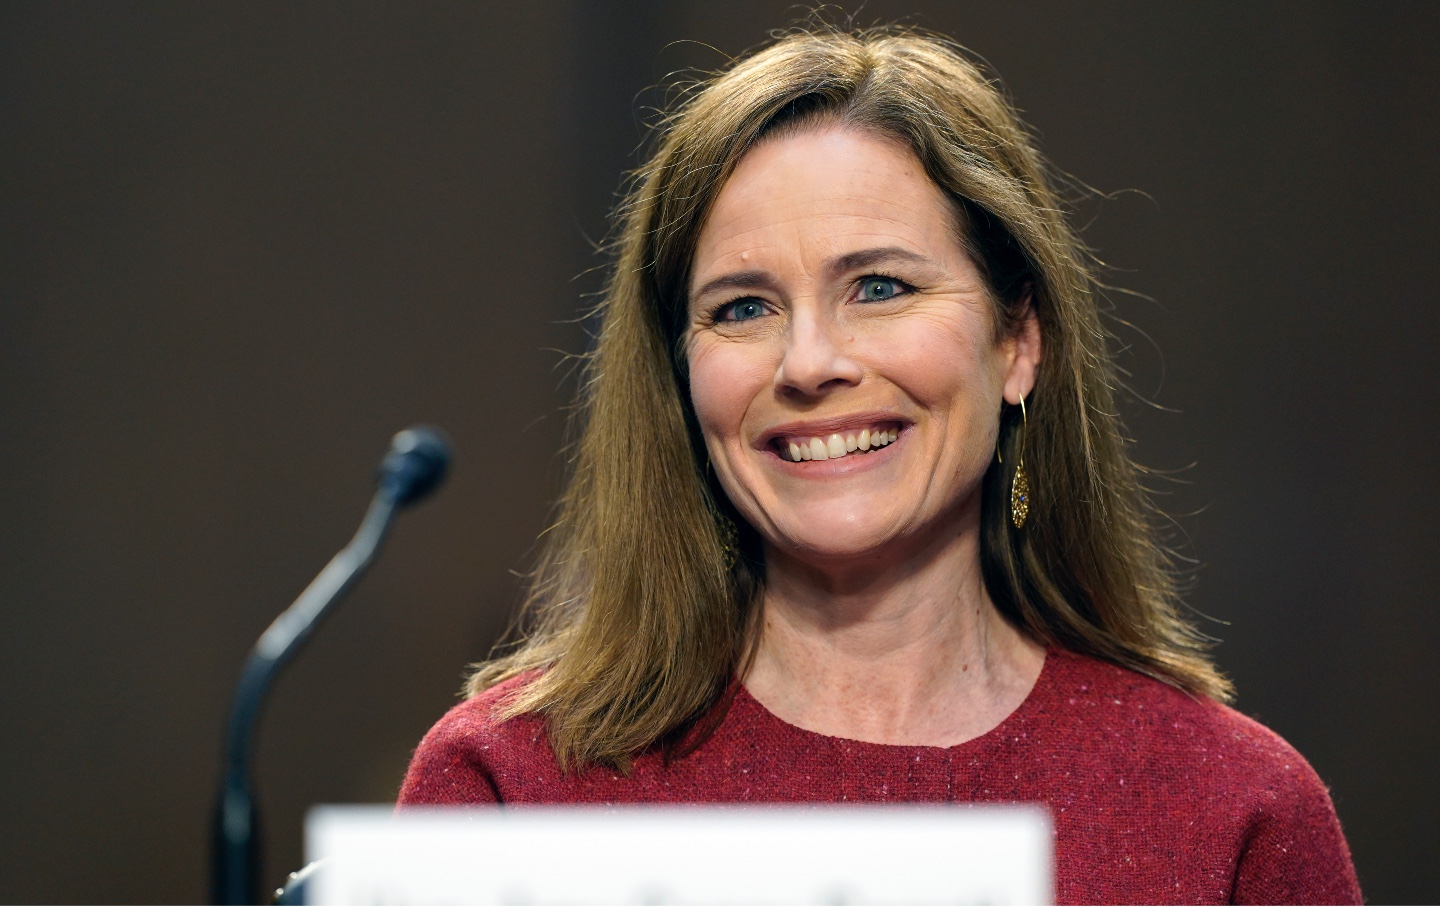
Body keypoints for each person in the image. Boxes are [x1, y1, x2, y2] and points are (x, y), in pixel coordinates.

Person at [400, 26, 1360, 904]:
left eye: (880, 287)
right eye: (742, 307)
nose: (810, 362)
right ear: (681, 376)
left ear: (1018, 341)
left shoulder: (1234, 808)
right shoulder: (506, 785)